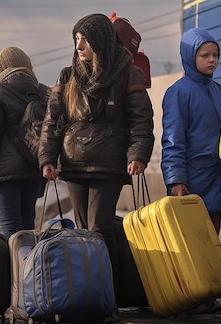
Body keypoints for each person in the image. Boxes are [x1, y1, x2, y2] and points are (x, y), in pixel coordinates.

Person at [39, 14, 154, 282]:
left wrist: (138, 154)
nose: (79, 46)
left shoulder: (127, 72)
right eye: (77, 39)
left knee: (100, 229)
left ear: (101, 41)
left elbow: (141, 119)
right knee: (81, 230)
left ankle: (107, 293)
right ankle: (89, 292)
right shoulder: (68, 76)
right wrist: (47, 157)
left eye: (86, 39)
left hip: (109, 163)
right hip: (74, 162)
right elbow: (52, 120)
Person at [161, 28, 221, 314]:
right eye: (204, 55)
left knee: (211, 241)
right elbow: (172, 139)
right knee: (190, 240)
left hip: (216, 176)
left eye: (215, 55)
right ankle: (190, 295)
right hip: (193, 178)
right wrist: (176, 180)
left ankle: (206, 293)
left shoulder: (218, 90)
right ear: (189, 56)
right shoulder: (178, 92)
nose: (212, 60)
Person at [0, 46, 49, 239]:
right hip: (34, 170)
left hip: (6, 174)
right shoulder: (42, 93)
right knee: (28, 227)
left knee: (11, 228)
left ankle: (15, 269)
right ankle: (29, 267)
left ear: (1, 69)